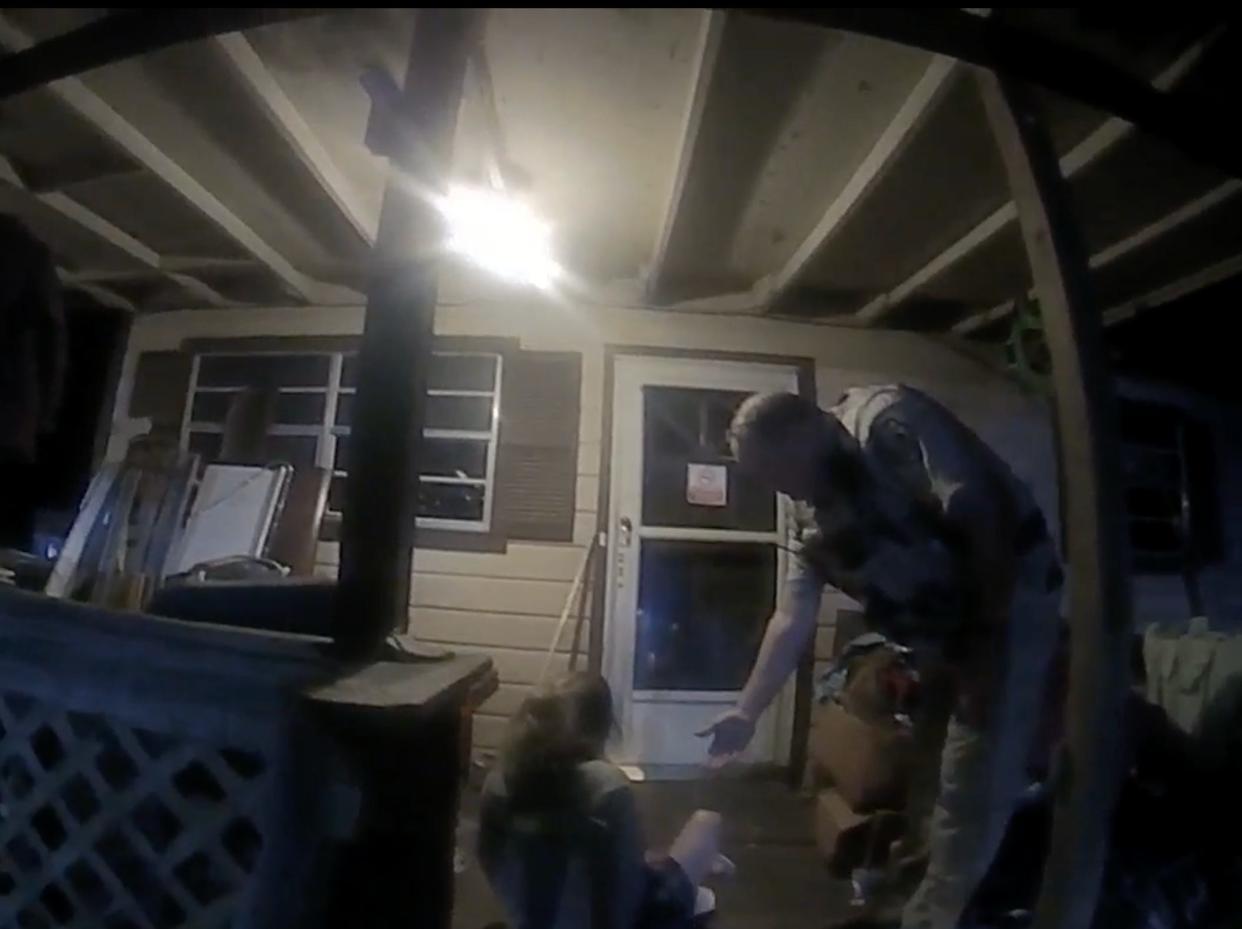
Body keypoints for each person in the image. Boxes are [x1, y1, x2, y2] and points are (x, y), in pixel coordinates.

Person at [698, 387, 1063, 929]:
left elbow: (978, 511)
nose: (780, 490)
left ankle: (935, 917)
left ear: (806, 433)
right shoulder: (813, 515)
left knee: (969, 786)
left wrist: (986, 650)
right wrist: (747, 712)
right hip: (943, 639)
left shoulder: (887, 424)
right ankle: (910, 901)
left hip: (1006, 608)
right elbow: (792, 616)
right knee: (931, 782)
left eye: (777, 473)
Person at [479, 672, 730, 929]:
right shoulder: (607, 785)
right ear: (602, 726)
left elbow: (492, 865)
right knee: (706, 823)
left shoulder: (498, 782)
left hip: (526, 919)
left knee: (655, 861)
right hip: (620, 917)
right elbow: (627, 899)